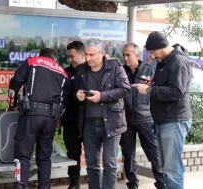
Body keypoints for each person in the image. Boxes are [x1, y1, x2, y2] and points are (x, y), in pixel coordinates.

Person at [132, 31, 192, 189]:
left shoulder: (178, 61)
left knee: (172, 170)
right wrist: (152, 84)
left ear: (161, 47)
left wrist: (149, 90)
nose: (152, 56)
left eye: (152, 52)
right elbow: (167, 85)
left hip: (174, 120)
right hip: (163, 119)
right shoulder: (164, 61)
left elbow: (176, 91)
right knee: (165, 168)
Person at [7, 48, 68, 189]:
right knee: (45, 158)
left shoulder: (32, 62)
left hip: (31, 115)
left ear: (41, 56)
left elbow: (15, 82)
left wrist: (11, 104)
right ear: (55, 59)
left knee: (22, 156)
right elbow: (64, 100)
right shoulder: (62, 72)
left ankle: (21, 186)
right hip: (50, 119)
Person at [75, 39, 130, 189]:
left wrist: (102, 96)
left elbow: (125, 89)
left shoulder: (115, 67)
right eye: (86, 54)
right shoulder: (81, 70)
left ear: (102, 53)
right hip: (89, 123)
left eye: (92, 55)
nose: (88, 58)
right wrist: (79, 95)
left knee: (110, 164)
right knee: (92, 164)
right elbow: (76, 91)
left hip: (111, 122)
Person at [121, 42, 166, 189]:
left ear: (136, 55)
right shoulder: (120, 72)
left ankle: (161, 182)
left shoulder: (149, 70)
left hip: (145, 118)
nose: (125, 58)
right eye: (124, 55)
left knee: (153, 153)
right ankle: (132, 183)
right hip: (126, 120)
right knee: (128, 154)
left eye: (128, 55)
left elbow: (157, 92)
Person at [60, 41, 86, 189]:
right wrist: (60, 116)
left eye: (72, 56)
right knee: (72, 153)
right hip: (70, 121)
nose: (70, 60)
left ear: (82, 54)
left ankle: (94, 182)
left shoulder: (91, 71)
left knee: (92, 154)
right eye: (68, 57)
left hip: (88, 120)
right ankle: (74, 183)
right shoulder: (65, 73)